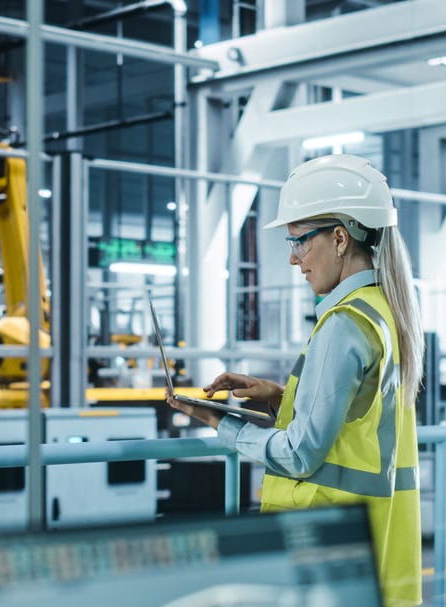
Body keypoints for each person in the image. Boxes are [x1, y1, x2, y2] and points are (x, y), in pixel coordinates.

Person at [168, 154, 424, 606]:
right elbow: (356, 417)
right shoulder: (383, 311)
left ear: (340, 239)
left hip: (326, 545)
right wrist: (279, 397)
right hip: (375, 541)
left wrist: (220, 423)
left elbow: (301, 454)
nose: (292, 258)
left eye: (300, 241)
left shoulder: (344, 324)